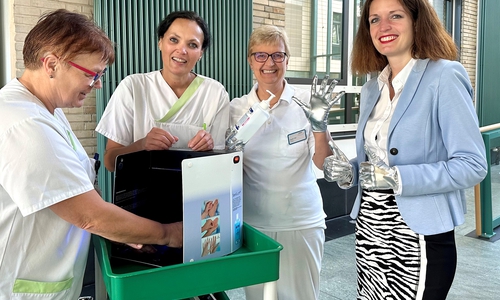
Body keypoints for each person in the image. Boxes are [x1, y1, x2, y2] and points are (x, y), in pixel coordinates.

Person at [309, 0, 488, 299]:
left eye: (395, 16)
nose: (384, 27)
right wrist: (350, 168)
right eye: (374, 20)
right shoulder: (371, 89)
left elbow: (472, 164)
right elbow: (377, 158)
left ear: (418, 21)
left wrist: (397, 179)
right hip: (370, 229)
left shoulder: (444, 76)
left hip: (419, 234)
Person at [0, 9, 182, 299]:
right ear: (51, 64)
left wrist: (128, 231)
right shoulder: (26, 126)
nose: (98, 84)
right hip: (26, 285)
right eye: (93, 74)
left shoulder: (47, 111)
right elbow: (90, 215)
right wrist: (169, 234)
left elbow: (78, 190)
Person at [229, 25, 344, 300]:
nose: (269, 63)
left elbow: (322, 164)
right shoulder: (236, 109)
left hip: (301, 221)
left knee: (301, 295)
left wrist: (319, 125)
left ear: (287, 60)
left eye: (278, 56)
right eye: (260, 55)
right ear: (249, 60)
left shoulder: (307, 103)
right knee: (258, 297)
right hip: (254, 223)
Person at [96, 10, 229, 172]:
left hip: (196, 195)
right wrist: (142, 145)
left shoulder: (215, 92)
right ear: (160, 42)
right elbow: (110, 162)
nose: (182, 50)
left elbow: (223, 163)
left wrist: (210, 147)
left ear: (201, 53)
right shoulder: (133, 87)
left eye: (192, 45)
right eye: (174, 40)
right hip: (142, 194)